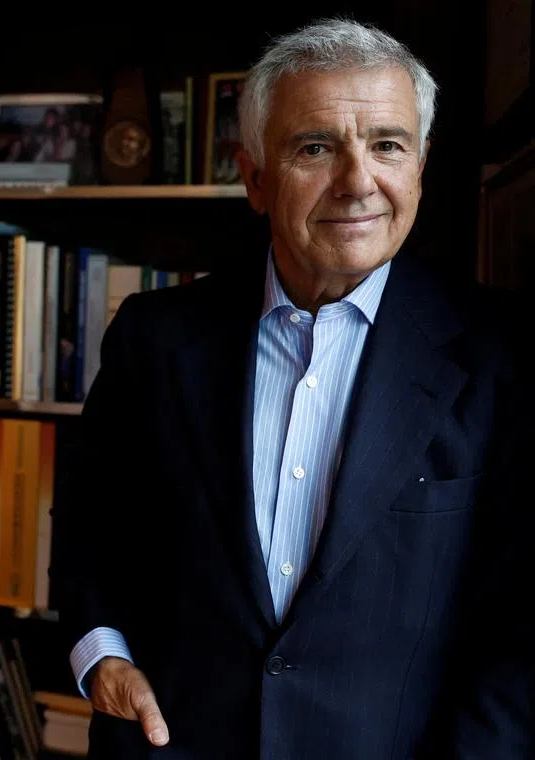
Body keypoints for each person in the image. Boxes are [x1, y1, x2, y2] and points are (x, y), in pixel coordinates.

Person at [54, 18, 530, 759]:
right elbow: (90, 528)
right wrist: (101, 655)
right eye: (315, 147)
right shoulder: (155, 338)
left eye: (388, 145)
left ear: (422, 167)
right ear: (254, 178)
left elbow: (520, 627)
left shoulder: (501, 357)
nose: (357, 181)